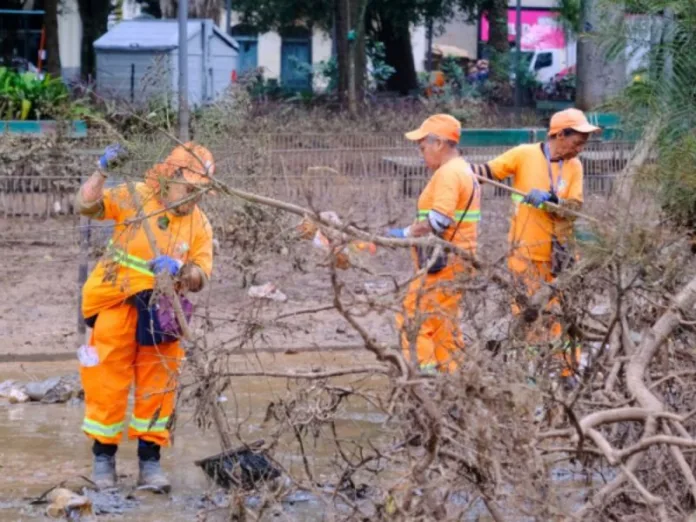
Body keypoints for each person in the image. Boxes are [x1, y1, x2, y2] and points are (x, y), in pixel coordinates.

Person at [75, 142, 216, 492]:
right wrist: (101, 170)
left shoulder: (199, 222)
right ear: (170, 177)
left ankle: (149, 464)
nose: (194, 198)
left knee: (159, 387)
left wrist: (183, 270)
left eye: (201, 191)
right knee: (106, 383)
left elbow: (202, 273)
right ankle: (103, 461)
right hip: (116, 303)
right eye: (190, 188)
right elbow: (87, 205)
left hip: (162, 313)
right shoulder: (134, 196)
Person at [470, 108, 600, 381]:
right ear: (560, 134)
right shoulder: (524, 154)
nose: (581, 147)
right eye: (578, 140)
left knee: (563, 316)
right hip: (525, 254)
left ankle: (567, 372)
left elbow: (574, 208)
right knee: (531, 315)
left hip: (560, 255)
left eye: (584, 142)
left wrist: (553, 200)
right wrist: (457, 168)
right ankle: (532, 374)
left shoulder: (574, 166)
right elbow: (486, 172)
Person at [388, 114, 480, 373]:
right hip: (460, 259)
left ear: (439, 144)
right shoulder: (463, 169)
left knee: (413, 319)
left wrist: (404, 233)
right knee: (444, 326)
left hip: (443, 263)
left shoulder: (449, 174)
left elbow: (438, 220)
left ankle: (424, 381)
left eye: (423, 147)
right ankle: (452, 385)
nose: (422, 154)